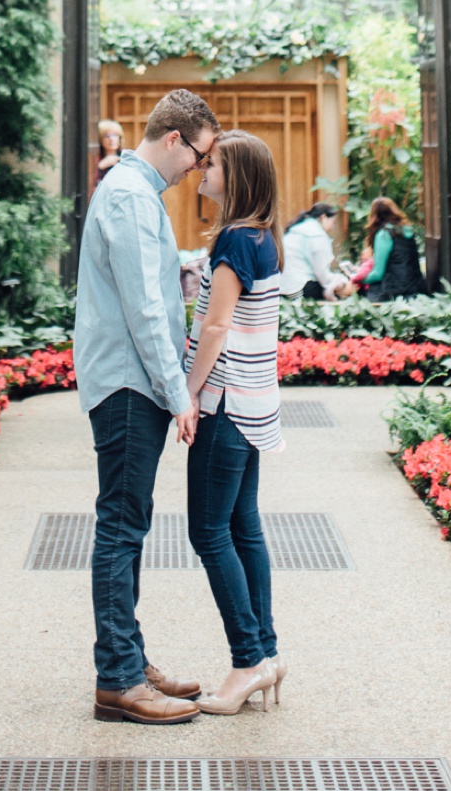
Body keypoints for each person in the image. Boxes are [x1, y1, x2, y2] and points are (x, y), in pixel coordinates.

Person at [74, 86, 221, 726]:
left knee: (128, 523)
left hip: (130, 384)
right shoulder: (131, 197)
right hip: (131, 387)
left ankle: (128, 659)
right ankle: (119, 679)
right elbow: (145, 309)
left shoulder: (134, 194)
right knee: (122, 527)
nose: (198, 168)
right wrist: (176, 391)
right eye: (198, 155)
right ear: (173, 140)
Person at [184, 130, 285, 715]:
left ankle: (247, 660)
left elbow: (216, 329)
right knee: (243, 525)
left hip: (224, 405)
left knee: (209, 531)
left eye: (213, 162)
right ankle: (266, 654)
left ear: (237, 175)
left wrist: (188, 393)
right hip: (254, 403)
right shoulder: (262, 239)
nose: (203, 167)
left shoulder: (232, 242)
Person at [362, 194, 426, 300]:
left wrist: (360, 279)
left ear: (374, 216)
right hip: (416, 288)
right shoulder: (407, 230)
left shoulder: (384, 234)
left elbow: (378, 273)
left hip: (395, 292)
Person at [281, 202, 349, 300]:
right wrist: (342, 282)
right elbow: (321, 273)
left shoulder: (297, 229)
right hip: (298, 288)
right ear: (324, 217)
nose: (332, 227)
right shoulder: (317, 234)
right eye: (333, 222)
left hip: (282, 287)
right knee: (342, 292)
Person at [94, 118, 124, 187]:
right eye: (107, 136)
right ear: (100, 139)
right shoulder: (95, 158)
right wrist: (100, 166)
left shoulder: (126, 156)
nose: (111, 139)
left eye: (115, 135)